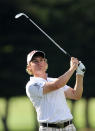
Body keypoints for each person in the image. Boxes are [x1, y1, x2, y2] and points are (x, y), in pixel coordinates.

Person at [25, 50, 85, 131]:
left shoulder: (55, 80)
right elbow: (56, 85)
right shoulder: (31, 85)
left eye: (42, 60)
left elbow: (76, 95)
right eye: (35, 61)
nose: (39, 63)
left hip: (69, 127)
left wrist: (79, 74)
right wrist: (72, 68)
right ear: (29, 67)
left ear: (45, 63)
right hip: (49, 128)